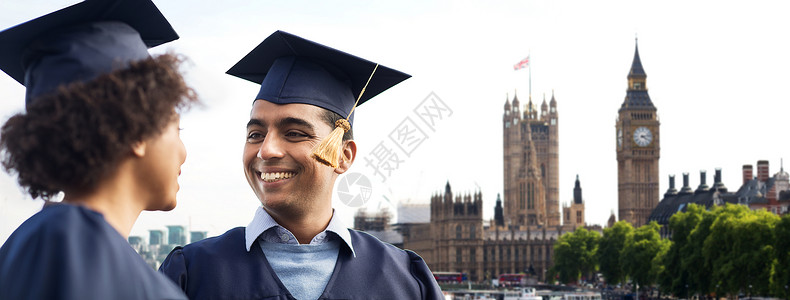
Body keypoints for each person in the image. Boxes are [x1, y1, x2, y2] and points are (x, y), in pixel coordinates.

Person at [159, 30, 443, 300]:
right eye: (255, 135)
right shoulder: (191, 273)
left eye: (295, 133)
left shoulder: (405, 279)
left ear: (343, 156)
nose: (266, 150)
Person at [0, 0, 198, 299]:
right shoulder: (75, 247)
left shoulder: (37, 241)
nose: (183, 151)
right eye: (176, 129)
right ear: (135, 130)